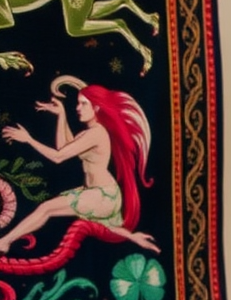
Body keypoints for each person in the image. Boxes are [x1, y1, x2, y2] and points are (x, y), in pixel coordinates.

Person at [0, 75, 158, 253]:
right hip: (98, 194)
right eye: (77, 103)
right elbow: (64, 148)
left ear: (96, 107)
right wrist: (61, 115)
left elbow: (58, 157)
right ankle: (5, 241)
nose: (78, 108)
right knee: (48, 209)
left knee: (46, 208)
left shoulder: (96, 134)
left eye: (83, 104)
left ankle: (5, 241)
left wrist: (28, 139)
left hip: (102, 195)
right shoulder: (88, 134)